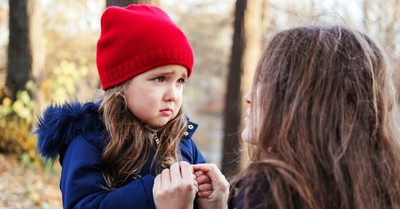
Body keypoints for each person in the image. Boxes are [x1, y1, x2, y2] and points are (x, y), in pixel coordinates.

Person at [35, 4, 207, 209]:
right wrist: (151, 195)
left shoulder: (182, 141)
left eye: (180, 81)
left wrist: (212, 200)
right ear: (121, 84)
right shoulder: (90, 142)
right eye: (160, 79)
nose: (173, 95)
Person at [227, 24, 400, 209]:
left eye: (263, 82)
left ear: (301, 101)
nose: (248, 97)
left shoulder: (272, 190)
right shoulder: (382, 186)